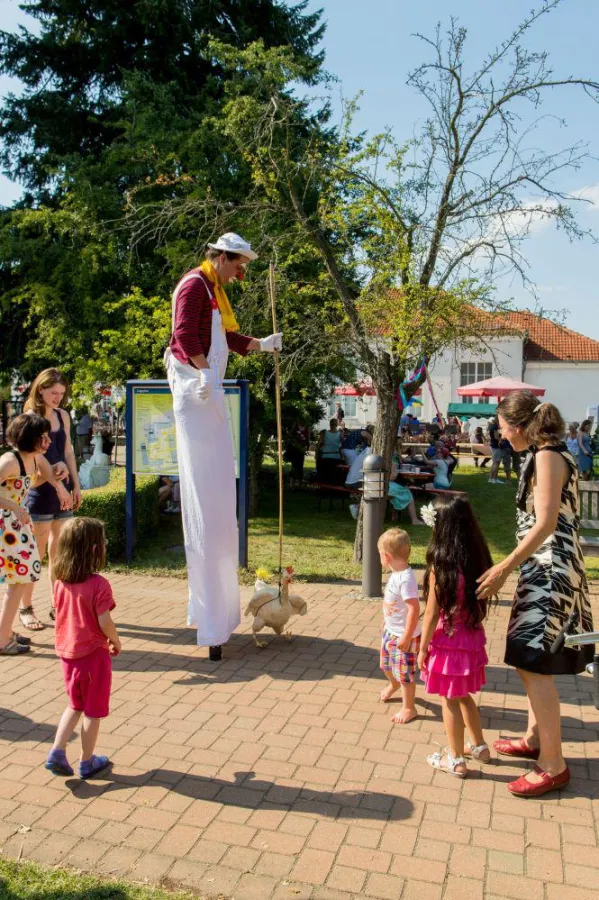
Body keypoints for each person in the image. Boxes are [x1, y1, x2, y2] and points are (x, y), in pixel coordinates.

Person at [164, 232, 282, 661]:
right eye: (239, 265)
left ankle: (217, 611)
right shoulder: (195, 284)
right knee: (205, 492)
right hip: (196, 390)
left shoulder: (213, 290)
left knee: (217, 492)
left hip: (206, 388)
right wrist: (202, 375)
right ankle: (210, 614)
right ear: (223, 256)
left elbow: (223, 339)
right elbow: (184, 335)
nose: (241, 273)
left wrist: (260, 343)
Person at [477, 392, 594, 797]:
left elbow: (544, 525)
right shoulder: (547, 453)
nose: (501, 434)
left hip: (551, 571)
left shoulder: (546, 457)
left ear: (522, 425)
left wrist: (503, 569)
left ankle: (553, 765)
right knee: (530, 661)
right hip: (545, 568)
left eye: (503, 426)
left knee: (533, 660)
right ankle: (534, 738)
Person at [418, 495, 492, 777]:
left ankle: (455, 759)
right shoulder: (476, 561)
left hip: (448, 642)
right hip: (471, 639)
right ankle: (480, 746)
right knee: (464, 696)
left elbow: (432, 614)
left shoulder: (441, 568)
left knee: (449, 700)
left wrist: (423, 648)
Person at [45, 517, 120, 779]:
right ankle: (87, 762)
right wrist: (115, 639)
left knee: (74, 704)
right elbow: (105, 621)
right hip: (93, 656)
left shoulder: (60, 582)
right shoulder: (99, 585)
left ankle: (57, 751)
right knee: (93, 710)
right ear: (95, 550)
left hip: (68, 656)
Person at [0, 415, 72, 655]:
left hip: (18, 527)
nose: (48, 441)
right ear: (30, 438)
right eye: (43, 437)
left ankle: (5, 632)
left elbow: (40, 478)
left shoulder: (32, 459)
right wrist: (14, 507)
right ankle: (2, 639)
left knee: (21, 580)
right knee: (18, 582)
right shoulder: (10, 461)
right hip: (7, 528)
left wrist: (58, 470)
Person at [21, 369, 81, 630]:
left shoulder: (63, 415)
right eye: (54, 393)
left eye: (61, 394)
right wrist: (58, 486)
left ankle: (58, 606)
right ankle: (25, 607)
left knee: (58, 554)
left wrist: (76, 484)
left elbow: (67, 451)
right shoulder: (30, 418)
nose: (58, 398)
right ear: (41, 389)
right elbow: (37, 457)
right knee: (34, 554)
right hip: (40, 493)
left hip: (63, 491)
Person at [378, 528, 421, 725]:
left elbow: (413, 609)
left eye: (379, 553)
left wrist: (406, 636)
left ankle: (409, 707)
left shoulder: (406, 579)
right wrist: (386, 622)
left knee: (405, 673)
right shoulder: (395, 574)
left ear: (386, 556)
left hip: (404, 636)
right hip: (390, 631)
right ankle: (393, 684)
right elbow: (393, 604)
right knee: (385, 664)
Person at [284, 419, 310, 488]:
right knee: (294, 466)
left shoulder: (307, 428)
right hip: (294, 450)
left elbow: (308, 438)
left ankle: (299, 484)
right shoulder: (295, 428)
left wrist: (307, 446)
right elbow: (289, 436)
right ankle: (292, 485)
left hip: (301, 450)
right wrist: (295, 438)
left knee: (300, 466)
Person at [316, 418, 343, 484]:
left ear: (329, 424)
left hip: (325, 456)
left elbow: (319, 444)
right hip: (336, 457)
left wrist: (316, 454)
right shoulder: (340, 434)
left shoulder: (324, 433)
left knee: (325, 474)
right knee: (334, 474)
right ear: (337, 425)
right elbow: (341, 447)